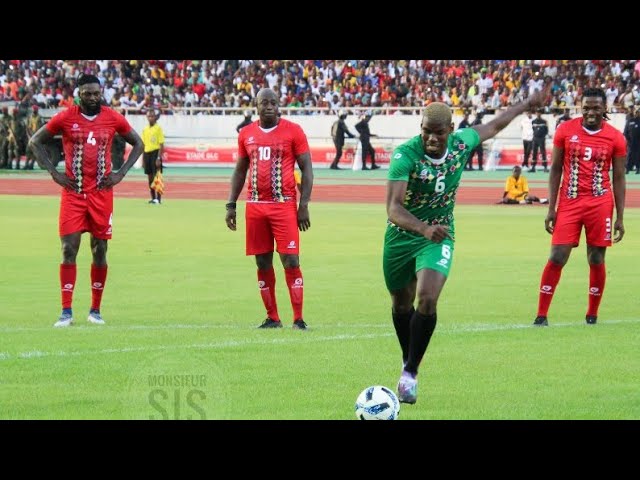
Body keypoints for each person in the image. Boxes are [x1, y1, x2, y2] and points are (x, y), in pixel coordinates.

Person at [384, 87, 547, 404]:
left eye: (438, 133)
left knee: (427, 299)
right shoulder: (405, 154)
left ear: (450, 131)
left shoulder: (461, 144)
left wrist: (527, 103)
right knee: (400, 305)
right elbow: (393, 207)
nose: (431, 139)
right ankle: (408, 362)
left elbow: (496, 125)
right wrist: (422, 227)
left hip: (439, 235)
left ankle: (410, 374)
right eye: (426, 132)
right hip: (402, 237)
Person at [27, 73, 145, 327]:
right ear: (78, 94)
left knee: (99, 249)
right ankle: (66, 311)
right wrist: (55, 173)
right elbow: (35, 141)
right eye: (88, 93)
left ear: (101, 92)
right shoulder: (66, 117)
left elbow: (138, 143)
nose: (93, 97)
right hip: (73, 194)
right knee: (69, 249)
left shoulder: (112, 117)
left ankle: (95, 310)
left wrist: (120, 173)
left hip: (102, 195)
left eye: (96, 93)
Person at [533, 87, 627, 327]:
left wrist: (620, 216)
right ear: (580, 107)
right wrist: (551, 208)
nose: (591, 112)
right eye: (586, 107)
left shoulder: (616, 137)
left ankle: (592, 314)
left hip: (600, 203)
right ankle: (541, 315)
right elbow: (555, 170)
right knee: (557, 256)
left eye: (596, 108)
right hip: (570, 202)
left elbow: (618, 177)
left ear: (605, 108)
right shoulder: (565, 130)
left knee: (596, 258)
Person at [225, 87, 314, 330]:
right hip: (254, 207)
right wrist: (231, 204)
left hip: (284, 205)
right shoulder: (246, 134)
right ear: (256, 106)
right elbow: (240, 170)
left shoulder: (294, 131)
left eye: (273, 102)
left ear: (279, 105)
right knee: (262, 263)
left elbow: (307, 168)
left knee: (291, 260)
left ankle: (298, 318)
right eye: (264, 102)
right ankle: (272, 317)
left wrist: (303, 204)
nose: (269, 106)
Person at [142, 110, 165, 204]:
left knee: (157, 177)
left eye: (152, 116)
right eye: (149, 116)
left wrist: (159, 158)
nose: (150, 118)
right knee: (150, 177)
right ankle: (153, 198)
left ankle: (159, 199)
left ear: (155, 117)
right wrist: (143, 159)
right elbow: (143, 145)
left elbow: (161, 144)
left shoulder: (158, 128)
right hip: (147, 154)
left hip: (155, 153)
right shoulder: (145, 129)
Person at [529, 108, 549, 173]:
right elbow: (533, 129)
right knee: (534, 153)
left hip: (541, 139)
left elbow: (546, 130)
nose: (538, 114)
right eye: (537, 112)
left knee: (543, 153)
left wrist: (542, 136)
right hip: (535, 139)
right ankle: (533, 167)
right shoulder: (533, 121)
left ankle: (545, 167)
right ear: (535, 113)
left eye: (539, 112)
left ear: (541, 113)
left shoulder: (544, 121)